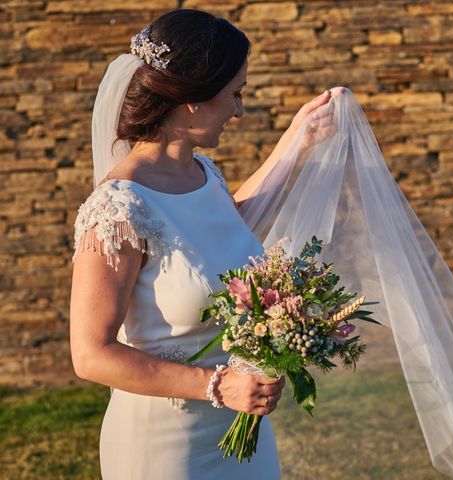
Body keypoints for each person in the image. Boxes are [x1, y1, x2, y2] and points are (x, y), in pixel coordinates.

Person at [69, 9, 333, 479]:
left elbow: (227, 230)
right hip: (165, 450)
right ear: (192, 99)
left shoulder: (202, 173)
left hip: (242, 433)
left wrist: (300, 140)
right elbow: (90, 354)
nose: (239, 110)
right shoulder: (118, 208)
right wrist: (218, 384)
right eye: (234, 94)